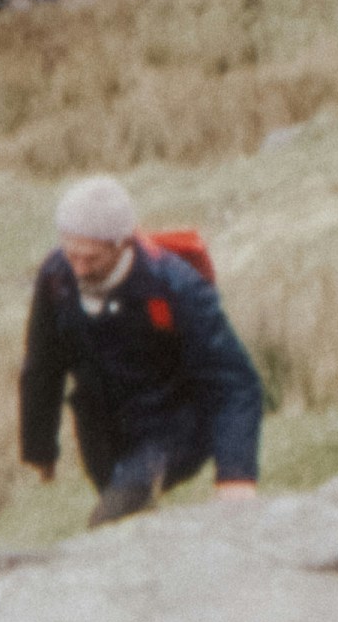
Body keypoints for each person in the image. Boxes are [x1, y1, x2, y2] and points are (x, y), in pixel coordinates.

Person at [17, 173, 269, 525]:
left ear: (123, 244)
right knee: (126, 518)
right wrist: (40, 448)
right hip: (102, 433)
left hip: (174, 428)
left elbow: (234, 382)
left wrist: (236, 474)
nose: (78, 268)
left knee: (109, 520)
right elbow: (43, 366)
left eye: (91, 258)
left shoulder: (176, 288)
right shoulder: (55, 277)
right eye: (71, 254)